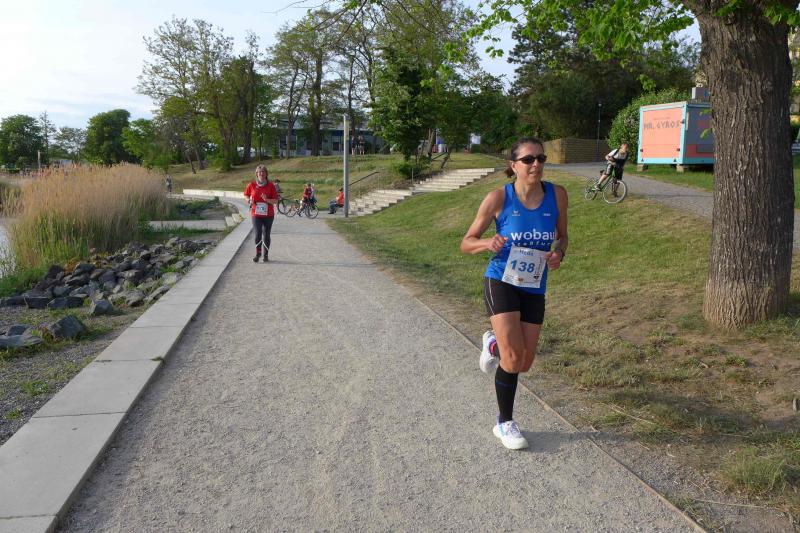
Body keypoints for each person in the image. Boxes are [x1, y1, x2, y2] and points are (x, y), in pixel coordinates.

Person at [460, 137, 568, 450]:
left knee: (524, 362)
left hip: (534, 283)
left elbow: (563, 237)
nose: (536, 164)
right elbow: (466, 242)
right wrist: (486, 243)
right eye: (528, 159)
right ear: (514, 165)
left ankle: (493, 343)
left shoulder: (557, 195)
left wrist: (559, 253)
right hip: (501, 280)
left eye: (541, 158)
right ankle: (504, 423)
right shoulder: (498, 198)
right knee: (512, 357)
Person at [244, 165, 279, 262]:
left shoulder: (271, 185)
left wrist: (267, 200)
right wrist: (249, 200)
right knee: (258, 233)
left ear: (266, 174)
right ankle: (258, 253)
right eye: (259, 172)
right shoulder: (251, 185)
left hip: (268, 215)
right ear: (256, 174)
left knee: (266, 235)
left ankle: (266, 255)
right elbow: (246, 195)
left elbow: (276, 201)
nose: (261, 173)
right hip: (256, 214)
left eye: (263, 172)